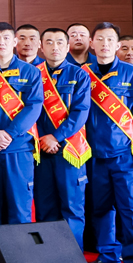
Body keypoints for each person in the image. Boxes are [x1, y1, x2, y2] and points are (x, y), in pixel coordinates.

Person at [83, 23, 133, 263]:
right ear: (92, 43)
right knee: (101, 209)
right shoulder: (82, 74)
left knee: (132, 208)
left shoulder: (132, 74)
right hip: (93, 156)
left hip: (126, 155)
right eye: (100, 39)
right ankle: (108, 256)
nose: (105, 44)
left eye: (110, 40)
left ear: (117, 45)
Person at [0, 21, 41, 229]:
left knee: (19, 208)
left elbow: (34, 106)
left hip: (18, 149)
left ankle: (21, 251)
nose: (1, 42)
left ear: (14, 41)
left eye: (6, 38)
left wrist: (9, 134)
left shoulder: (30, 72)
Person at [32, 26, 93, 249]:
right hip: (41, 150)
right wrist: (43, 139)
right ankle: (49, 256)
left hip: (70, 149)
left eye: (59, 42)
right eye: (49, 42)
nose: (54, 47)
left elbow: (80, 112)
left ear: (67, 47)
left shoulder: (80, 74)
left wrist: (56, 137)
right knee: (45, 206)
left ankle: (72, 256)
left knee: (72, 207)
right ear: (41, 46)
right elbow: (29, 110)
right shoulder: (34, 73)